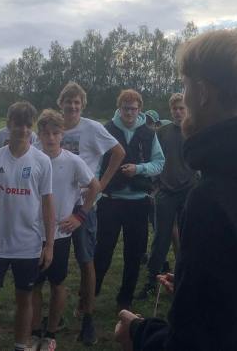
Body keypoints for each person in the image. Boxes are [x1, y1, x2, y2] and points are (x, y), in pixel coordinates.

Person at [116, 29, 237, 351]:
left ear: (202, 92)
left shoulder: (211, 200)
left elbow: (195, 342)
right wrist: (192, 286)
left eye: (185, 86)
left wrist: (139, 333)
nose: (184, 99)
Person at [0, 101, 55, 351]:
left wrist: (49, 245)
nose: (23, 130)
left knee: (25, 299)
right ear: (8, 124)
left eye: (28, 125)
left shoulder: (42, 161)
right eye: (18, 124)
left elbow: (48, 205)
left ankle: (21, 345)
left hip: (28, 245)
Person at [56, 81, 125, 345]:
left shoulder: (92, 128)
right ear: (61, 103)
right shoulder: (54, 127)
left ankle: (88, 317)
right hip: (57, 205)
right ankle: (54, 316)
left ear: (82, 105)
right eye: (68, 101)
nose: (72, 106)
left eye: (77, 102)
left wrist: (101, 185)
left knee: (86, 261)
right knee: (55, 261)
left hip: (84, 206)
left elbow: (119, 152)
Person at [30, 109, 100, 351]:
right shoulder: (31, 157)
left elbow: (94, 186)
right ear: (39, 134)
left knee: (57, 283)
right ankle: (34, 331)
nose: (50, 138)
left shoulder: (72, 161)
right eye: (45, 133)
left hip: (59, 233)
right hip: (32, 233)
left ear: (63, 134)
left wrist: (80, 216)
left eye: (55, 133)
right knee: (34, 285)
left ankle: (51, 333)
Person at [94, 89, 165, 312]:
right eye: (126, 108)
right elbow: (97, 162)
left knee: (134, 254)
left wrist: (139, 169)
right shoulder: (107, 129)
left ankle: (125, 299)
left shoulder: (148, 133)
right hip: (110, 200)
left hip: (138, 201)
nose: (129, 113)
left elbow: (159, 163)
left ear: (139, 109)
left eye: (133, 109)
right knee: (103, 251)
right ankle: (90, 293)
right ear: (119, 108)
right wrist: (96, 192)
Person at [137, 93, 196, 300]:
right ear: (171, 111)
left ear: (187, 109)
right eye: (175, 109)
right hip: (166, 192)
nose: (178, 112)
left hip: (189, 192)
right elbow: (153, 159)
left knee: (189, 238)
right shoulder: (162, 132)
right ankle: (152, 280)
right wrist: (155, 184)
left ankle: (187, 278)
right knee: (161, 239)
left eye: (182, 108)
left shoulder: (195, 131)